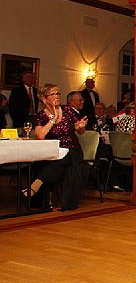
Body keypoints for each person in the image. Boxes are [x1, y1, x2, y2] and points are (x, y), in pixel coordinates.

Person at [24, 83, 88, 211]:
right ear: (44, 98)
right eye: (53, 94)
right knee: (48, 163)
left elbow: (80, 131)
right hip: (53, 151)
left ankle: (38, 182)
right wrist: (52, 120)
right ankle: (50, 201)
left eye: (58, 93)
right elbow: (40, 135)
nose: (57, 96)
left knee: (67, 156)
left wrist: (80, 127)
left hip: (72, 149)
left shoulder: (67, 110)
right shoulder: (41, 116)